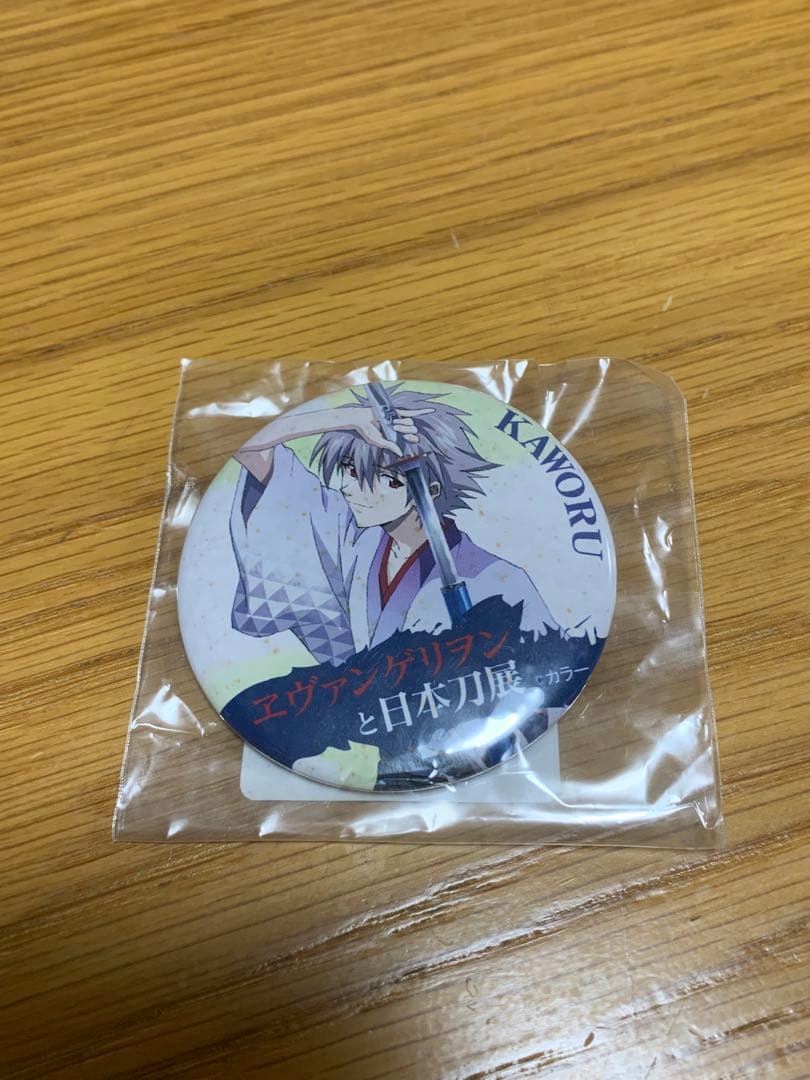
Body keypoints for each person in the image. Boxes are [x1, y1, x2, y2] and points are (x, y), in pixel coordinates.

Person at [230, 384, 557, 665]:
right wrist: (350, 418)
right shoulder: (347, 533)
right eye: (349, 470)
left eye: (380, 478)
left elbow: (544, 672)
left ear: (430, 491)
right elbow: (249, 447)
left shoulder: (498, 579)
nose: (348, 487)